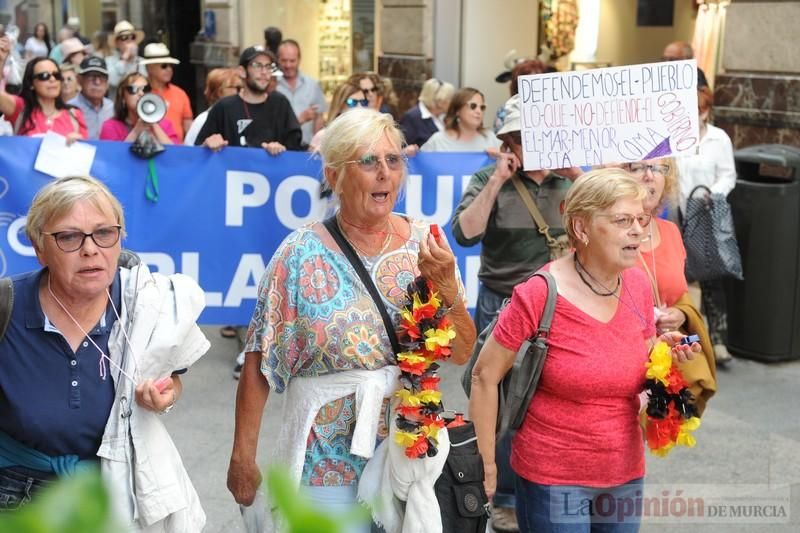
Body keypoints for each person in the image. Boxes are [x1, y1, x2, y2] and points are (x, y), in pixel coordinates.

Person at [226, 107, 476, 530]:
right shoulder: (299, 254)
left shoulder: (426, 241)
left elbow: (461, 352)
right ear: (333, 176)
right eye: (368, 161)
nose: (384, 173)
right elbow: (259, 362)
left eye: (393, 160)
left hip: (406, 451)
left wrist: (448, 288)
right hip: (324, 460)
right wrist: (242, 459)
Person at [469, 169, 699, 532]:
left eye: (640, 219)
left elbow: (633, 352)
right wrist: (486, 465)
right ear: (581, 228)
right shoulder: (540, 293)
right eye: (623, 220)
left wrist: (661, 351)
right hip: (553, 479)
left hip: (624, 472)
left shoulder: (638, 284)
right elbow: (485, 376)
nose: (638, 230)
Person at [0, 175, 208, 531]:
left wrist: (167, 394)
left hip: (112, 489)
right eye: (68, 236)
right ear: (38, 247)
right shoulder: (8, 305)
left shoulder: (144, 304)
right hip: (16, 493)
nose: (90, 249)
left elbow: (171, 378)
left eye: (104, 233)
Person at [451, 93, 573, 533]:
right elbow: (464, 234)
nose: (531, 144)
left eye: (538, 136)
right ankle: (499, 493)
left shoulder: (569, 180)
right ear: (509, 142)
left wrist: (579, 175)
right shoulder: (490, 177)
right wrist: (496, 182)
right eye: (521, 138)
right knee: (499, 398)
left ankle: (542, 484)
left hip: (559, 305)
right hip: (504, 301)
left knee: (551, 396)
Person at [625, 158, 718, 410]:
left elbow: (680, 295)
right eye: (637, 167)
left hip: (668, 363)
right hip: (622, 364)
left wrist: (679, 314)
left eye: (658, 168)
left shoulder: (671, 232)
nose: (649, 175)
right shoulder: (605, 233)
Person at [676, 86, 737, 365]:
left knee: (710, 276)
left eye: (697, 110)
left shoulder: (718, 139)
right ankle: (688, 336)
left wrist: (712, 194)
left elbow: (728, 175)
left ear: (706, 111)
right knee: (680, 279)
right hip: (677, 214)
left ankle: (718, 339)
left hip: (705, 213)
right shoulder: (674, 136)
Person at [195, 45, 302, 154]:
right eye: (257, 65)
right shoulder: (224, 107)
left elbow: (295, 150)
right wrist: (208, 145)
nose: (264, 72)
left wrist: (281, 149)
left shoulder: (280, 103)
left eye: (268, 66)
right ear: (242, 71)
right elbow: (197, 153)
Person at [0, 53, 87, 140]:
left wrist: (79, 142)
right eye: (44, 76)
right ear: (31, 83)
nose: (52, 79)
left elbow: (86, 148)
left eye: (57, 75)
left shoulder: (75, 114)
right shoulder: (20, 108)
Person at [99, 71, 179, 144]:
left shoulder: (165, 125)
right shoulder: (110, 126)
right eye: (133, 89)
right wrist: (136, 131)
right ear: (123, 97)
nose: (141, 93)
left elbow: (175, 154)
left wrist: (153, 123)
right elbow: (114, 157)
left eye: (145, 89)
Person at [275, 39, 327, 147]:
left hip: (307, 148)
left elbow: (319, 117)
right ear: (277, 60)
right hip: (281, 150)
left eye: (292, 61)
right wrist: (300, 119)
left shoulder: (312, 85)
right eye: (284, 60)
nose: (288, 65)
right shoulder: (272, 86)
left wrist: (317, 143)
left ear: (299, 59)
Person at [421, 87, 501, 153]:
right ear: (457, 110)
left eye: (482, 107)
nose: (479, 111)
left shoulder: (491, 138)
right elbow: (416, 164)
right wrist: (410, 153)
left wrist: (500, 157)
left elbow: (510, 162)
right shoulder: (438, 141)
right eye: (473, 106)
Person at [141, 42, 193, 141]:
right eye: (164, 66)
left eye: (170, 66)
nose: (169, 69)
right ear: (150, 68)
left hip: (175, 151)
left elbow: (189, 128)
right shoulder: (140, 93)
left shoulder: (180, 94)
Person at [184, 67, 241, 146]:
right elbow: (190, 152)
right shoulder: (203, 119)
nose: (240, 92)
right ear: (219, 91)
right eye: (237, 88)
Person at [308, 80, 368, 152]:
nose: (359, 107)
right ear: (339, 104)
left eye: (363, 102)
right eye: (352, 102)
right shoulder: (323, 136)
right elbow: (310, 162)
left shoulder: (370, 136)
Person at [399, 77, 455, 148]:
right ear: (439, 101)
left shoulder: (445, 117)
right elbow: (401, 148)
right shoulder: (413, 117)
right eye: (450, 99)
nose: (453, 103)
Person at [68, 56, 114, 140]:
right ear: (79, 79)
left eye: (102, 77)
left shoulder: (113, 108)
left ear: (107, 82)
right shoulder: (69, 109)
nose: (97, 82)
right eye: (91, 76)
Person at [494, 59, 546, 133]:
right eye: (527, 81)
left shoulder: (552, 109)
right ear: (517, 84)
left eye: (537, 80)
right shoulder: (505, 111)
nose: (533, 85)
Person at [105, 20, 146, 100]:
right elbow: (113, 81)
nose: (129, 40)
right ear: (117, 43)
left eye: (132, 37)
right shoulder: (109, 61)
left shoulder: (142, 62)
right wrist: (124, 59)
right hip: (117, 106)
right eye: (124, 37)